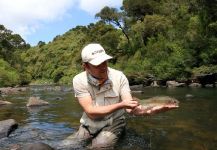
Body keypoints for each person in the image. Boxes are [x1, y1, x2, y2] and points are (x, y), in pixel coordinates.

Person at [70, 43, 177, 149]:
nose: (103, 67)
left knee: (99, 146)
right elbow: (91, 112)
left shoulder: (119, 77)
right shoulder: (79, 80)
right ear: (86, 66)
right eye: (97, 64)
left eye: (104, 62)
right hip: (89, 124)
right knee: (66, 145)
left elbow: (130, 108)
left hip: (114, 122)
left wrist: (147, 110)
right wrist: (121, 105)